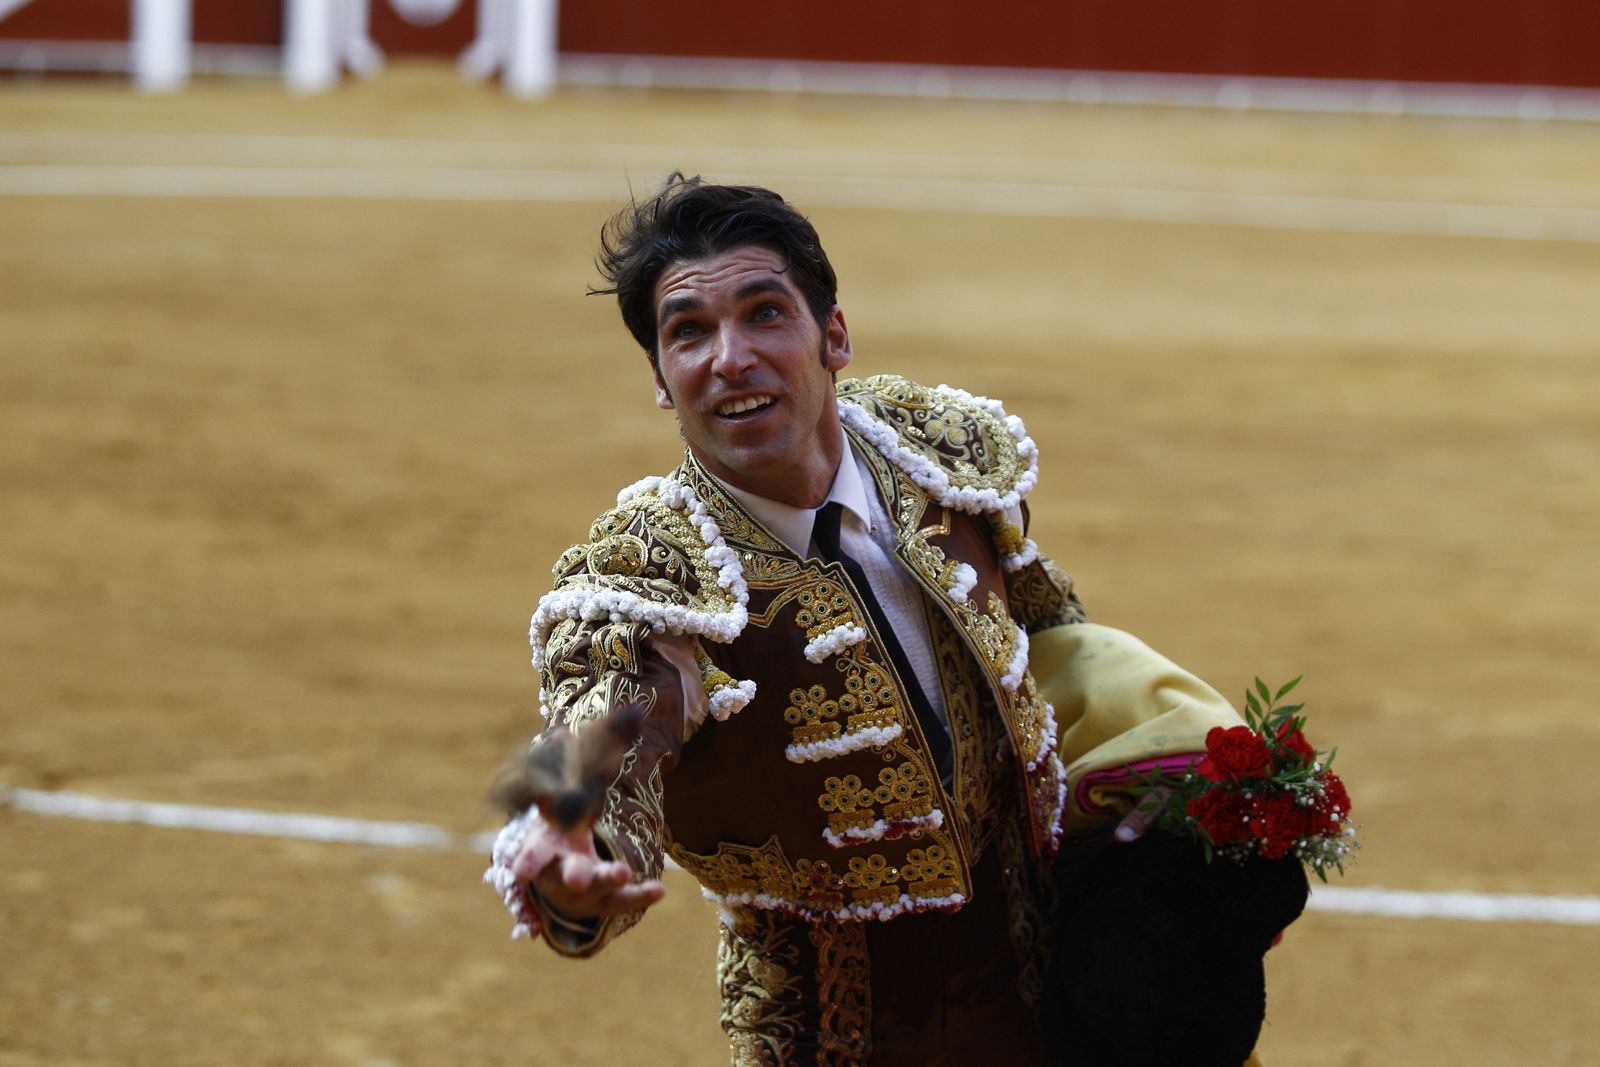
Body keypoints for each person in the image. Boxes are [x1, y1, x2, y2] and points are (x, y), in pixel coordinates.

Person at [484, 173, 1267, 1065]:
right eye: (688, 331)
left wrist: (1160, 792)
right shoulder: (648, 576)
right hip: (837, 1036)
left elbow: (1048, 634)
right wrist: (572, 847)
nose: (730, 358)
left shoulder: (932, 456)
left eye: (765, 313)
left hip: (1055, 990)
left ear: (835, 337)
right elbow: (609, 727)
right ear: (662, 381)